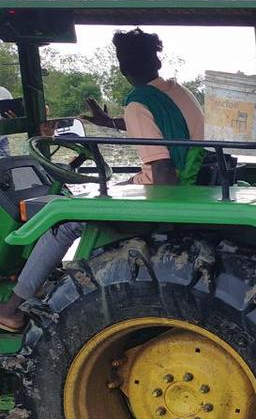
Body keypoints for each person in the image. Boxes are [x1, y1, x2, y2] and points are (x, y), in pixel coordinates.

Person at [0, 29, 204, 332]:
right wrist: (108, 123)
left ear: (122, 65)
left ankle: (12, 309)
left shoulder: (138, 103)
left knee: (63, 220)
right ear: (157, 59)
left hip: (164, 189)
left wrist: (156, 217)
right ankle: (41, 283)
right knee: (88, 200)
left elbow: (163, 170)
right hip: (192, 180)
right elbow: (163, 127)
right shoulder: (176, 92)